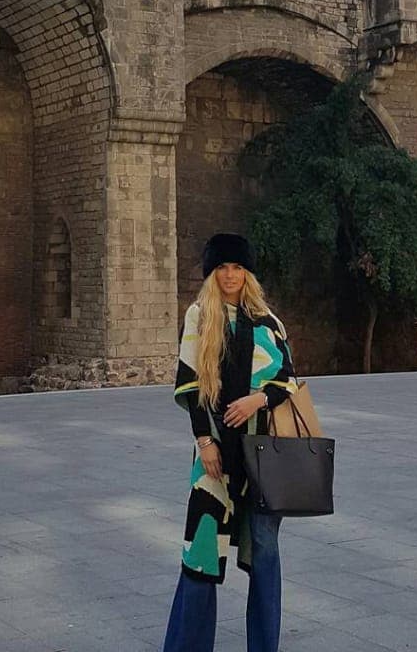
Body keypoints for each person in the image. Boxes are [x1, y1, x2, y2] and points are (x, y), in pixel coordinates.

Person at [162, 232, 297, 652]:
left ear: (248, 273)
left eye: (237, 267)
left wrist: (258, 397)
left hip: (262, 457)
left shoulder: (268, 322)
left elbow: (288, 380)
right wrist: (205, 441)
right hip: (215, 456)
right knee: (200, 553)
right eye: (222, 267)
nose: (230, 275)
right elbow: (190, 384)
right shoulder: (200, 316)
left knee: (265, 555)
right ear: (212, 273)